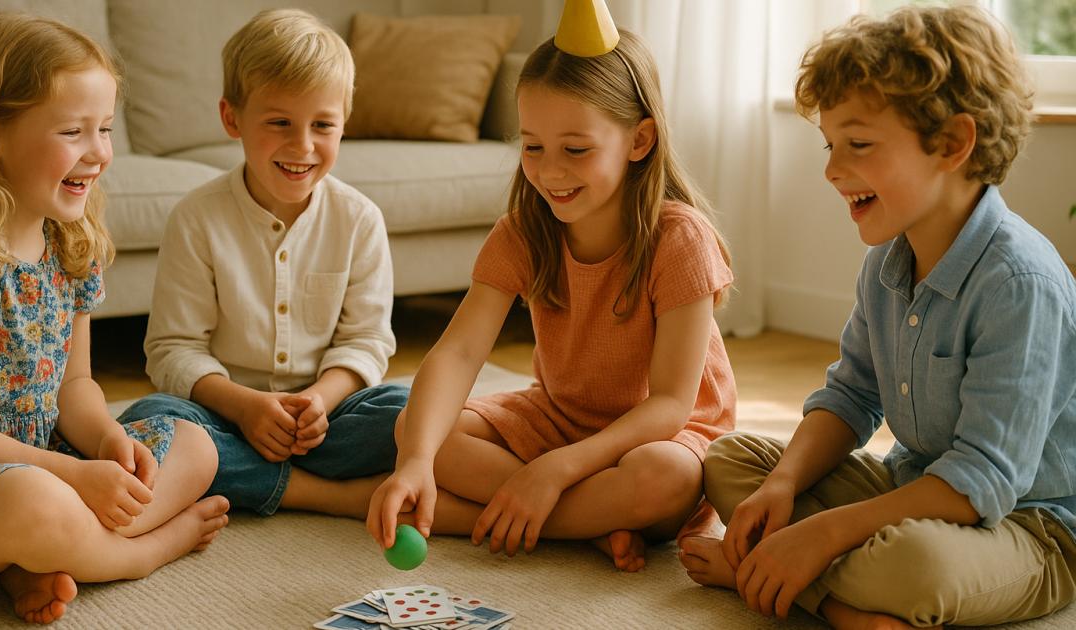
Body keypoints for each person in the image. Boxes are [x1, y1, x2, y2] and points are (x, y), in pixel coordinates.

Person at [680, 5, 1076, 628]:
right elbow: (850, 397)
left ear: (952, 144)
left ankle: (787, 578)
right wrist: (782, 486)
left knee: (916, 567)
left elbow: (982, 481)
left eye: (858, 145)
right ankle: (831, 597)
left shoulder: (1020, 283)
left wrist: (824, 534)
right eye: (831, 145)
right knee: (732, 463)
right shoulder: (889, 262)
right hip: (908, 490)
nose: (833, 170)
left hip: (1029, 528)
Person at [0, 11, 229, 624]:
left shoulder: (69, 243)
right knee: (33, 500)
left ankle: (45, 555)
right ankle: (136, 554)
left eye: (105, 129)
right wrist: (73, 474)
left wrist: (106, 443)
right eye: (73, 131)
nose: (98, 153)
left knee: (195, 443)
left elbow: (75, 387)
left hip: (45, 457)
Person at [366, 23, 737, 573]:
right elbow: (459, 353)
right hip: (559, 418)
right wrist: (417, 460)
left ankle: (531, 509)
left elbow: (669, 406)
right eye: (533, 147)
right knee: (412, 427)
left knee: (667, 477)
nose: (549, 171)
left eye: (576, 149)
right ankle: (582, 526)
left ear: (640, 140)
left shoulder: (679, 238)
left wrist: (555, 471)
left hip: (658, 436)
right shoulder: (521, 231)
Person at [118, 9, 407, 521]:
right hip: (224, 418)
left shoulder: (359, 219)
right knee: (149, 423)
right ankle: (322, 494)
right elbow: (172, 350)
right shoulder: (196, 218)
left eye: (323, 125)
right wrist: (246, 408)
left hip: (326, 422)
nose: (303, 146)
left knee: (411, 411)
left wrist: (319, 400)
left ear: (344, 124)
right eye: (279, 123)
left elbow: (367, 341)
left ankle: (241, 479)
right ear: (232, 118)